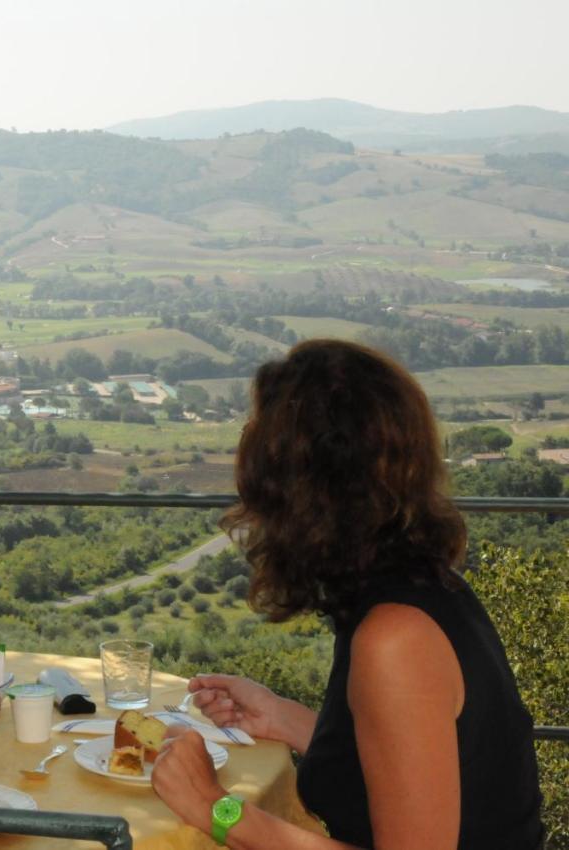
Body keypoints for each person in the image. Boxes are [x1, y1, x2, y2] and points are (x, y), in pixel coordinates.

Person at [151, 339, 544, 849]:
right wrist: (283, 717)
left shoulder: (394, 637)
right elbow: (416, 770)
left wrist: (215, 807)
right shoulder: (423, 591)